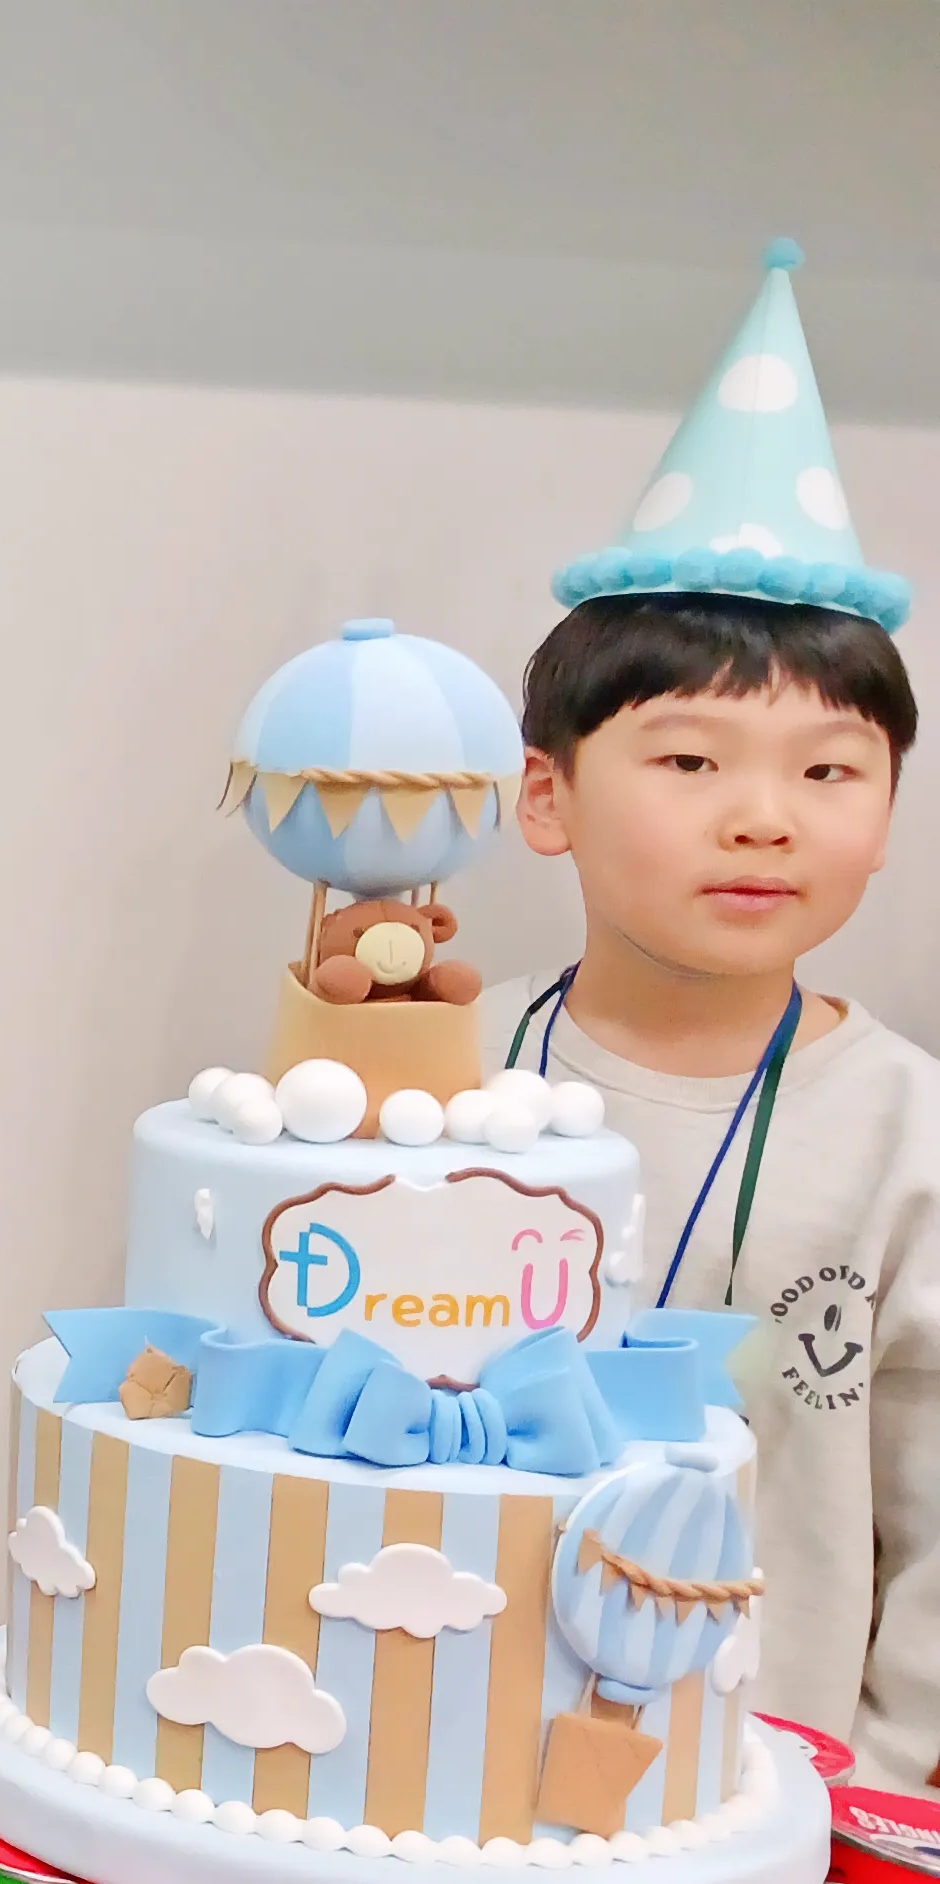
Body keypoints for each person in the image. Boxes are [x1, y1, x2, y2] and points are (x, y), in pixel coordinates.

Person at [483, 241, 937, 1796]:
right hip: (433, 1749)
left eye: (829, 771)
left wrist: (881, 1793)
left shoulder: (909, 1133)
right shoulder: (453, 1074)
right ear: (547, 795)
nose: (764, 817)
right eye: (689, 762)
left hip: (773, 1792)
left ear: (887, 812)